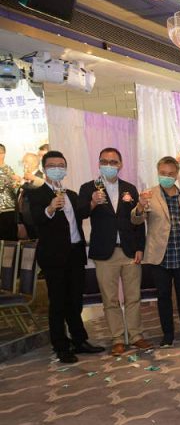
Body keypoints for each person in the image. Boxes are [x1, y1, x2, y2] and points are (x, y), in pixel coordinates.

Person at [29, 151, 104, 363]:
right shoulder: (36, 194)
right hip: (54, 257)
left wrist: (92, 203)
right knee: (58, 303)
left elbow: (81, 214)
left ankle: (79, 340)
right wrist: (50, 208)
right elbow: (35, 220)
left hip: (75, 253)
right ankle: (61, 345)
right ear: (44, 168)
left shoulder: (70, 194)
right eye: (52, 165)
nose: (57, 169)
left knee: (75, 301)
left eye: (61, 165)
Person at [78, 148, 151, 356]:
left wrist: (140, 247)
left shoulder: (129, 188)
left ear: (120, 164)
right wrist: (93, 202)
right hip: (104, 253)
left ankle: (136, 335)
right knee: (110, 299)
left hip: (129, 250)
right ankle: (117, 338)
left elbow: (138, 220)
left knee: (133, 297)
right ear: (99, 164)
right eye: (104, 161)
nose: (109, 165)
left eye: (113, 162)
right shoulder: (88, 188)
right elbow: (80, 213)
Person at [132, 156, 180, 348]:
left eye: (170, 174)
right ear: (158, 173)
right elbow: (136, 220)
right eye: (163, 173)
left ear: (176, 175)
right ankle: (167, 334)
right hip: (160, 255)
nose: (167, 177)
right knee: (163, 296)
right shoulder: (149, 195)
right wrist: (140, 206)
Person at [17, 152, 44, 239]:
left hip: (35, 217)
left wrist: (22, 182)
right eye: (23, 162)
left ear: (35, 163)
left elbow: (34, 189)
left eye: (26, 162)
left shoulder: (41, 177)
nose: (24, 165)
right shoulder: (25, 177)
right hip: (25, 217)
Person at [0, 144, 20, 240]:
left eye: (1, 153)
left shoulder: (8, 169)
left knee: (10, 236)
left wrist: (16, 182)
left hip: (9, 207)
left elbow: (15, 184)